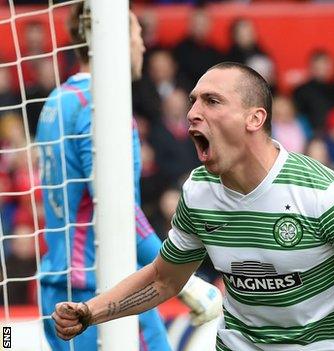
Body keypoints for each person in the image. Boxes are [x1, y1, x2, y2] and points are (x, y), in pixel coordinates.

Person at [51, 62, 334, 351]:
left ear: (255, 118)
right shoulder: (198, 192)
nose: (193, 112)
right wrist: (90, 313)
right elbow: (165, 279)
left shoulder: (326, 195)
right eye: (193, 101)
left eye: (212, 101)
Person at [36, 6, 221, 351]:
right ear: (115, 40)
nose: (143, 46)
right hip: (104, 292)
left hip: (56, 285)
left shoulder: (57, 101)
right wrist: (185, 282)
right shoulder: (103, 107)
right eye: (137, 36)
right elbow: (120, 212)